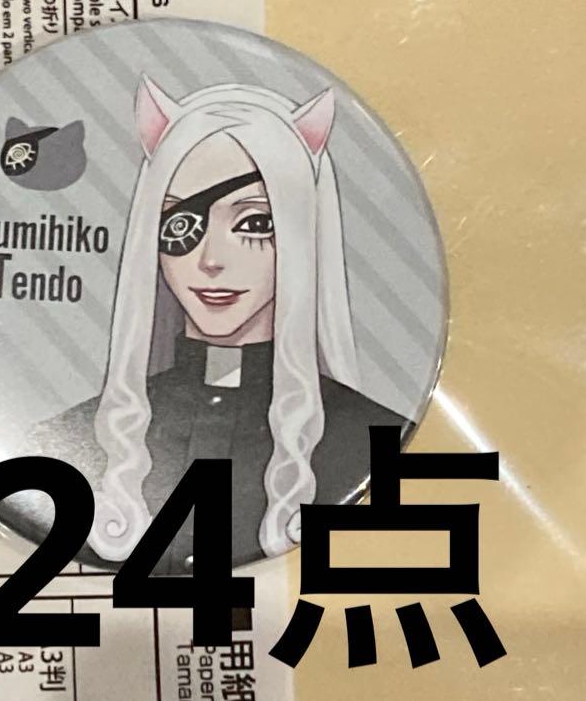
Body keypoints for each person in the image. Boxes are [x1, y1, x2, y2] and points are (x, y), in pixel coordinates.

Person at [28, 76, 409, 572]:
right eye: (181, 223)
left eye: (255, 223)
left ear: (302, 234)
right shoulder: (66, 444)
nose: (210, 261)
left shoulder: (371, 440)